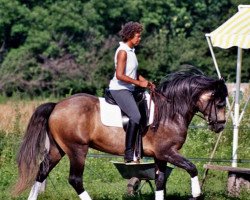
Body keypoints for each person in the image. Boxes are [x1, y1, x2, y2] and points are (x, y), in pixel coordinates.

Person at [108, 21, 154, 163]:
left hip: (129, 88)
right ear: (129, 36)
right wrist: (139, 83)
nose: (139, 39)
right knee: (135, 115)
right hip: (119, 89)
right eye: (138, 36)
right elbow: (120, 75)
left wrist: (148, 83)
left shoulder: (131, 51)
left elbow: (134, 73)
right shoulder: (123, 52)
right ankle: (128, 153)